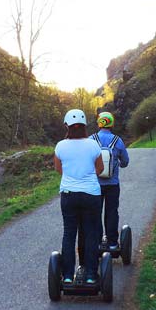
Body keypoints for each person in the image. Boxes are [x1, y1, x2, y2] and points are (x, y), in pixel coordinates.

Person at [54, 109, 104, 285]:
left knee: (69, 234)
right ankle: (91, 275)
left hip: (68, 195)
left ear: (67, 125)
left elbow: (59, 169)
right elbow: (100, 169)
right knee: (91, 234)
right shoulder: (92, 145)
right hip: (91, 195)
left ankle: (67, 276)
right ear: (84, 126)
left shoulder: (60, 146)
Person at [89, 111, 129, 252]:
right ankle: (112, 243)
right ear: (111, 123)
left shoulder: (91, 140)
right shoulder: (117, 141)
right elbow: (125, 162)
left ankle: (98, 243)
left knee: (95, 213)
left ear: (99, 123)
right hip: (112, 184)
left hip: (95, 185)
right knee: (112, 212)